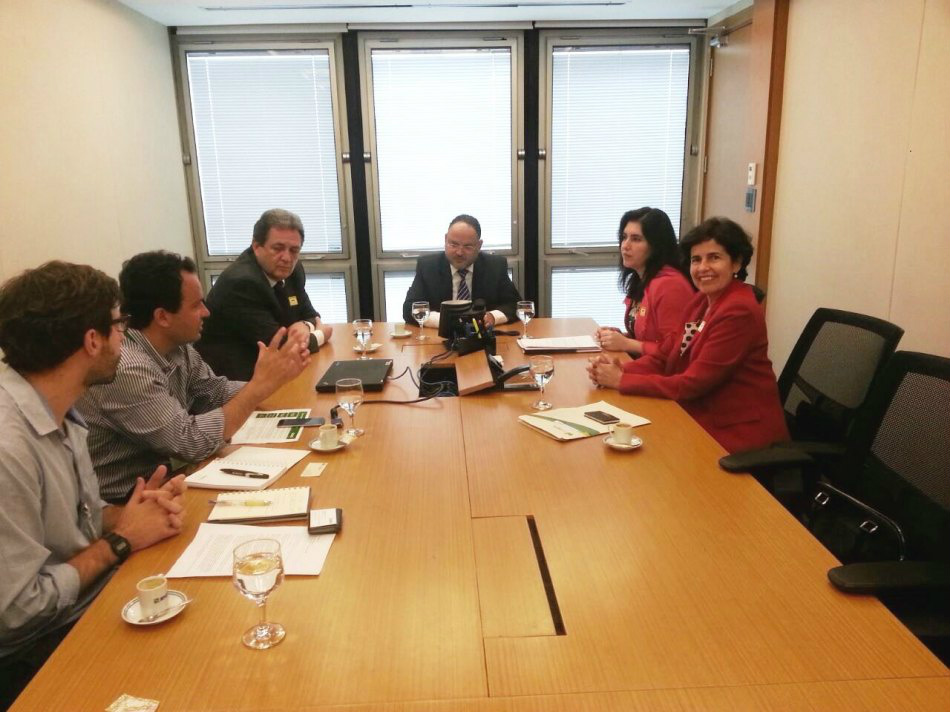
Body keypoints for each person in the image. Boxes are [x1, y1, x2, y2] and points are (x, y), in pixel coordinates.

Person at [0, 262, 185, 709]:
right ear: (92, 340)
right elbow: (17, 612)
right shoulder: (9, 447)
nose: (125, 337)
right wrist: (120, 542)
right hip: (33, 656)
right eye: (119, 324)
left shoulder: (61, 409)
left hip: (86, 605)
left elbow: (78, 520)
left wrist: (134, 513)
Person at [77, 251, 310, 503]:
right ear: (162, 317)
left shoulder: (177, 346)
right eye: (196, 304)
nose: (207, 312)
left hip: (167, 482)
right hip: (125, 502)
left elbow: (214, 392)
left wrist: (272, 379)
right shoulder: (128, 369)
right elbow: (190, 442)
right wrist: (258, 387)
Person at [587, 217, 788, 453]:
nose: (703, 267)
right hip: (699, 414)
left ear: (736, 263)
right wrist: (620, 368)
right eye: (696, 260)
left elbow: (693, 383)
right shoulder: (702, 301)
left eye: (714, 257)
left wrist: (621, 381)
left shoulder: (738, 310)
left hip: (738, 434)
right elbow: (667, 355)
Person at [197, 208, 333, 380]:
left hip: (275, 373)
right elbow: (281, 348)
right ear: (256, 247)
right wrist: (320, 335)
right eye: (278, 248)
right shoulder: (241, 283)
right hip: (234, 382)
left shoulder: (292, 271)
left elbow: (311, 315)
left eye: (294, 250)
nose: (287, 258)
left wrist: (304, 326)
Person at [594, 207, 693, 358]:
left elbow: (677, 350)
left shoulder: (670, 285)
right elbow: (648, 339)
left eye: (636, 239)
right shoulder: (643, 278)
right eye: (624, 237)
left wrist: (627, 344)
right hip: (644, 367)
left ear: (656, 246)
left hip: (664, 377)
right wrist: (619, 337)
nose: (625, 246)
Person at [401, 214, 522, 328]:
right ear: (445, 240)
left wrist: (493, 317)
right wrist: (446, 320)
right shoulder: (428, 266)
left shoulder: (495, 266)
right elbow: (410, 309)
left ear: (479, 246)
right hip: (438, 337)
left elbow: (514, 304)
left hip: (480, 339)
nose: (459, 252)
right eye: (453, 244)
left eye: (467, 247)